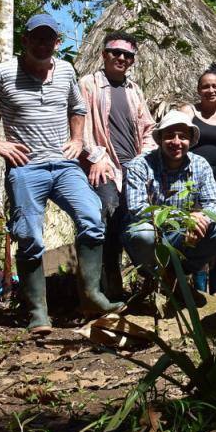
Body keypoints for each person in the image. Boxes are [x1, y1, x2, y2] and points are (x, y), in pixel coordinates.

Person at [0, 14, 123, 334]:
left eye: (49, 38)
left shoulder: (65, 70)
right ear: (26, 39)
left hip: (64, 166)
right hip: (26, 168)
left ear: (57, 43)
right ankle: (37, 312)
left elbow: (78, 108)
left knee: (92, 217)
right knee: (29, 235)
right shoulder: (3, 73)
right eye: (37, 37)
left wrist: (77, 140)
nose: (43, 43)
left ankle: (91, 295)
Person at [78, 30, 157, 301]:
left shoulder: (134, 90)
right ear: (104, 55)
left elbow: (147, 127)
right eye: (116, 53)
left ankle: (145, 287)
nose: (121, 58)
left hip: (132, 167)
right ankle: (104, 290)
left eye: (127, 55)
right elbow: (79, 124)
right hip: (103, 164)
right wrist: (96, 156)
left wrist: (144, 158)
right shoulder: (88, 84)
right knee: (107, 216)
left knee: (136, 221)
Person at [122, 111, 216, 287]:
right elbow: (137, 209)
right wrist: (187, 219)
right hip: (152, 233)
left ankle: (177, 272)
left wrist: (201, 218)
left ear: (190, 140)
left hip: (184, 235)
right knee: (142, 233)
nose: (176, 142)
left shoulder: (200, 164)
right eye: (169, 136)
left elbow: (215, 203)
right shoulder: (140, 165)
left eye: (182, 136)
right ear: (160, 139)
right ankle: (153, 275)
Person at [179, 67, 216, 294]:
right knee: (198, 229)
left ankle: (215, 283)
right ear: (198, 89)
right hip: (193, 181)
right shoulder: (189, 111)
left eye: (215, 86)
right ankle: (198, 284)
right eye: (205, 86)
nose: (210, 90)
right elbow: (177, 138)